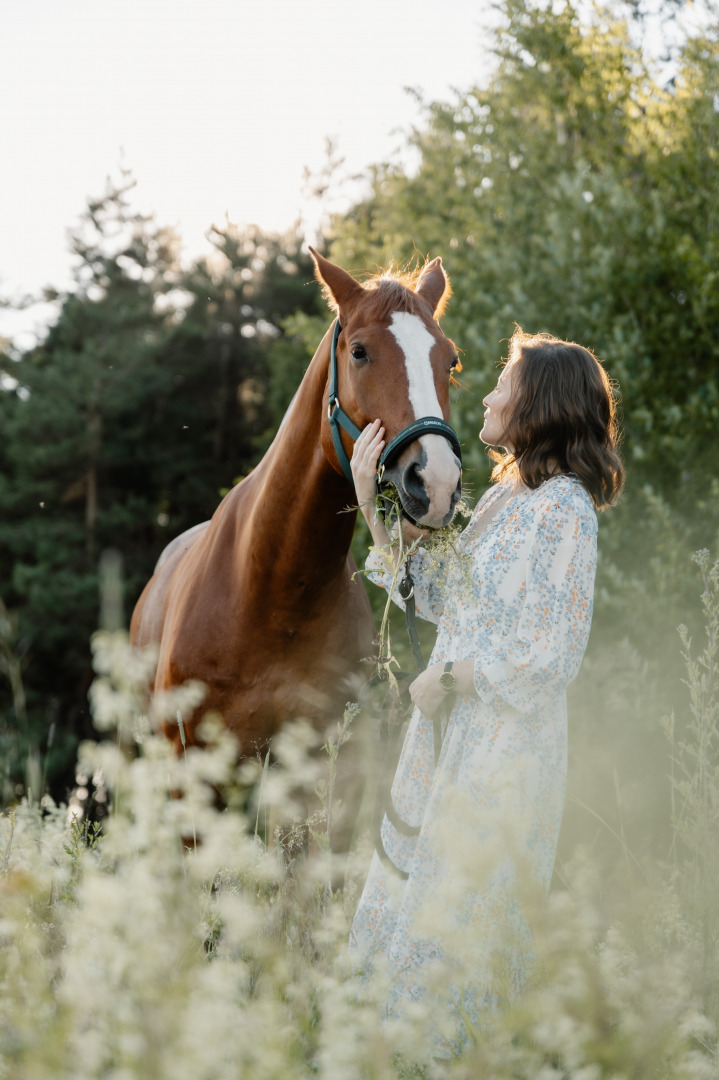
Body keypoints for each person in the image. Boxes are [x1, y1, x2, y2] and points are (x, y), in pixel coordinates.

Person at [348, 327, 624, 1050]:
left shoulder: (563, 507)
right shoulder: (506, 503)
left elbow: (551, 656)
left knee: (459, 923)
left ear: (536, 404)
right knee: (411, 911)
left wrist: (448, 675)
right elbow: (436, 595)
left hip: (501, 751)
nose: (490, 391)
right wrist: (370, 502)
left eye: (503, 380)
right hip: (449, 736)